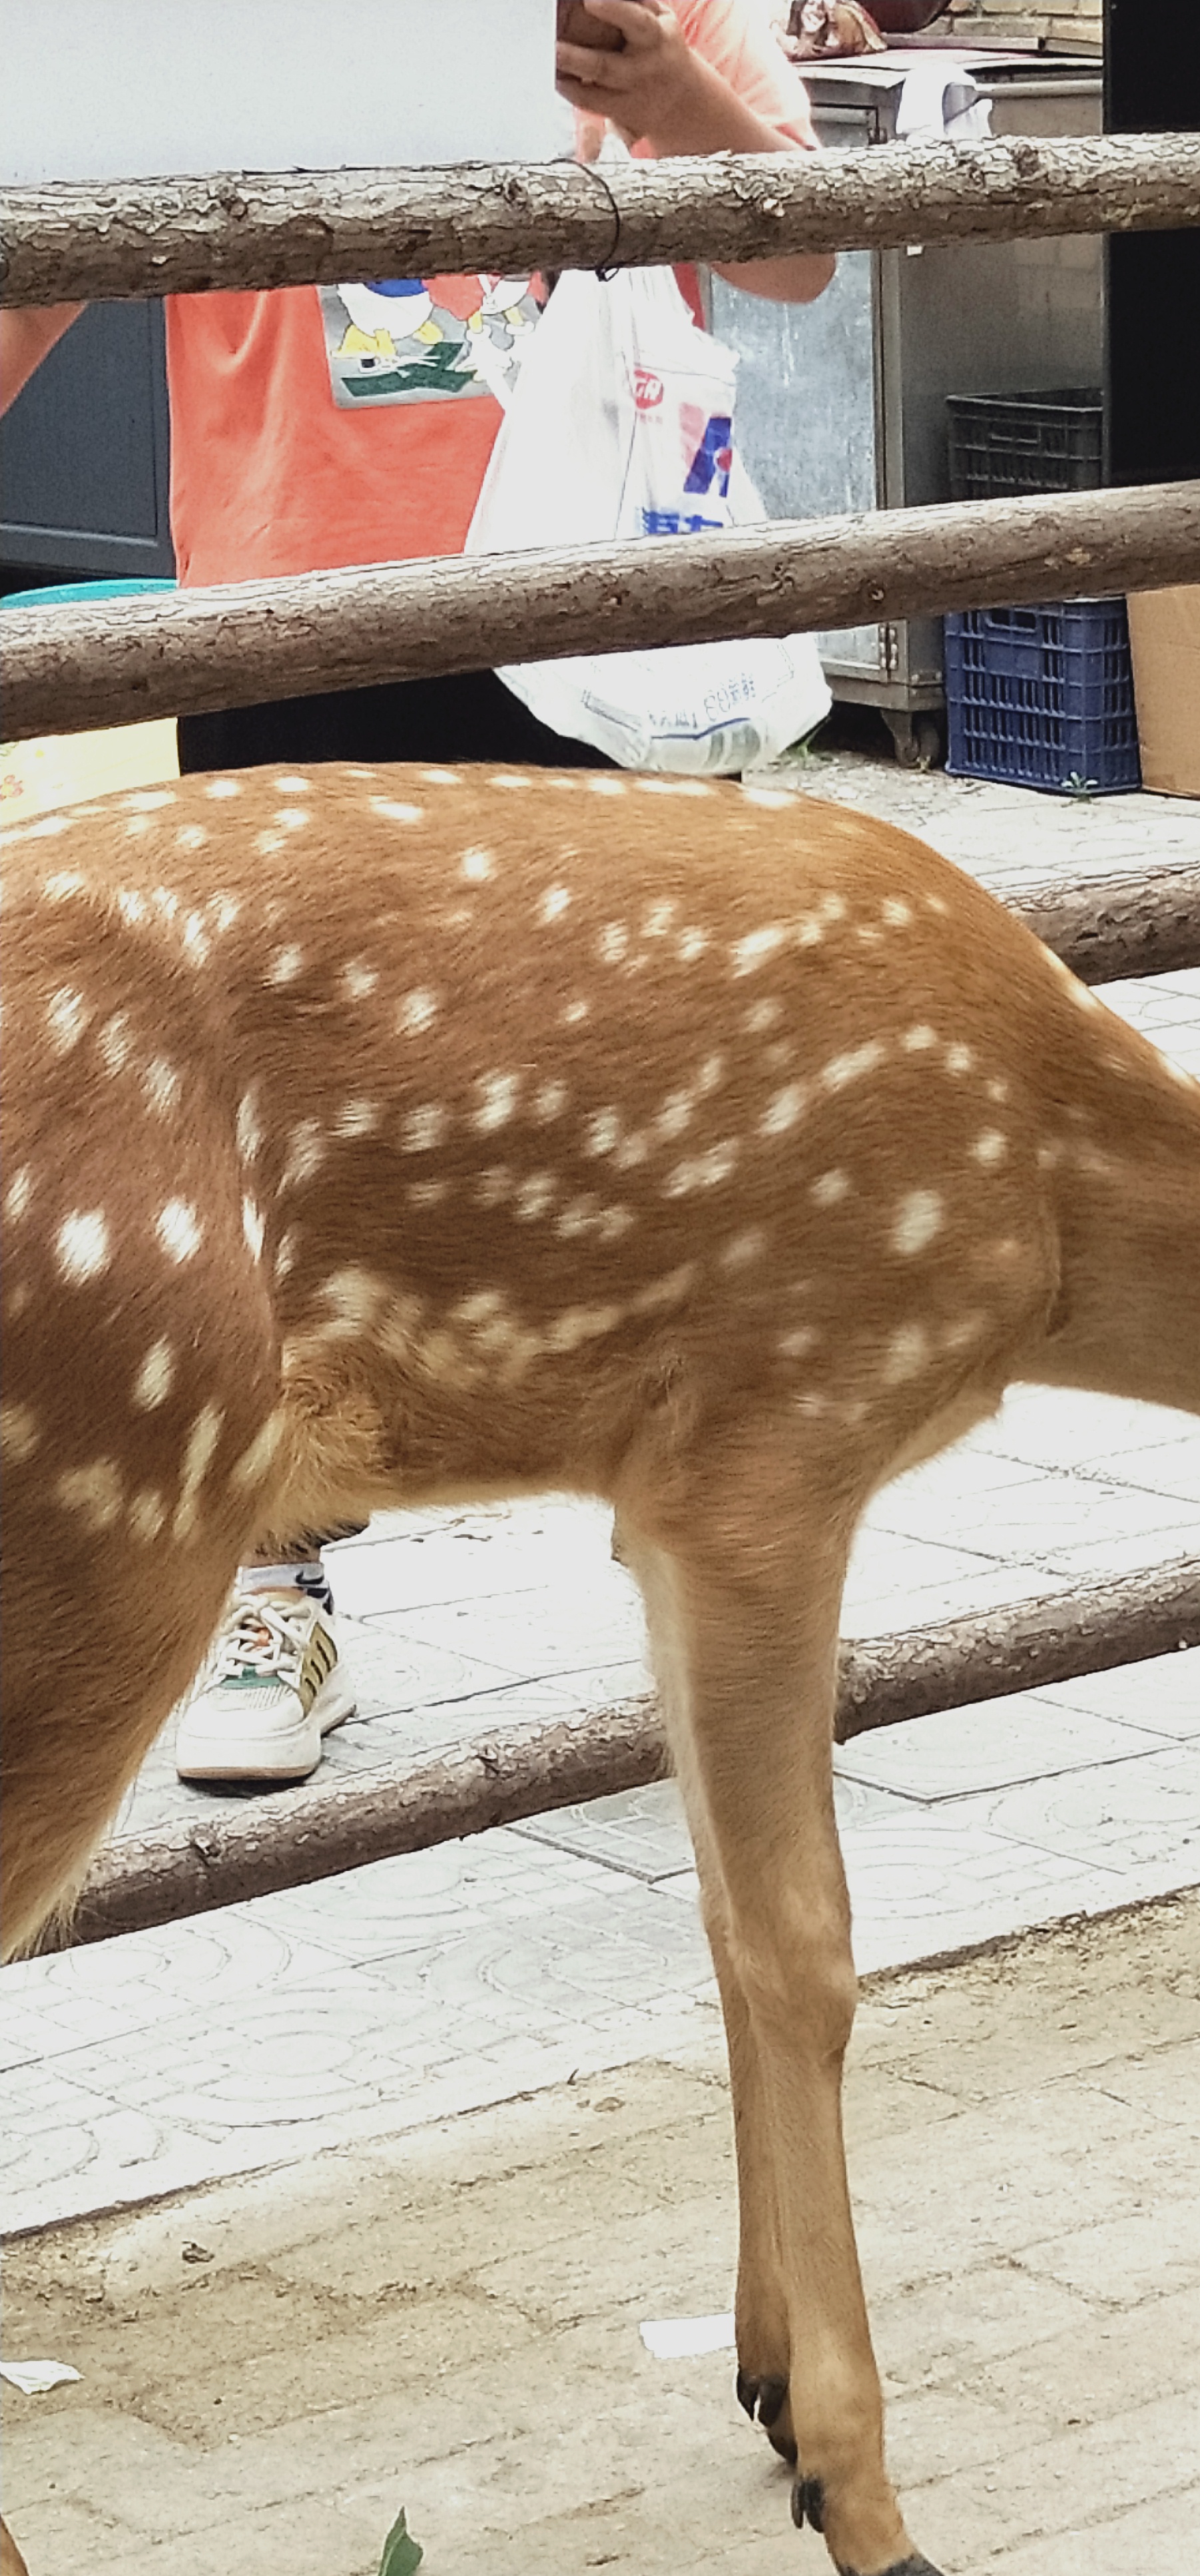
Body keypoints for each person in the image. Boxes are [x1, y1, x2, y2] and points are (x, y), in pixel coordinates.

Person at [0, 0, 831, 1787]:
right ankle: (267, 1579)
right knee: (271, 1143)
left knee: (643, 1107)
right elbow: (41, 257)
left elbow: (803, 254)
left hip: (590, 616)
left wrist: (674, 96)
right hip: (291, 604)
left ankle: (707, 1559)